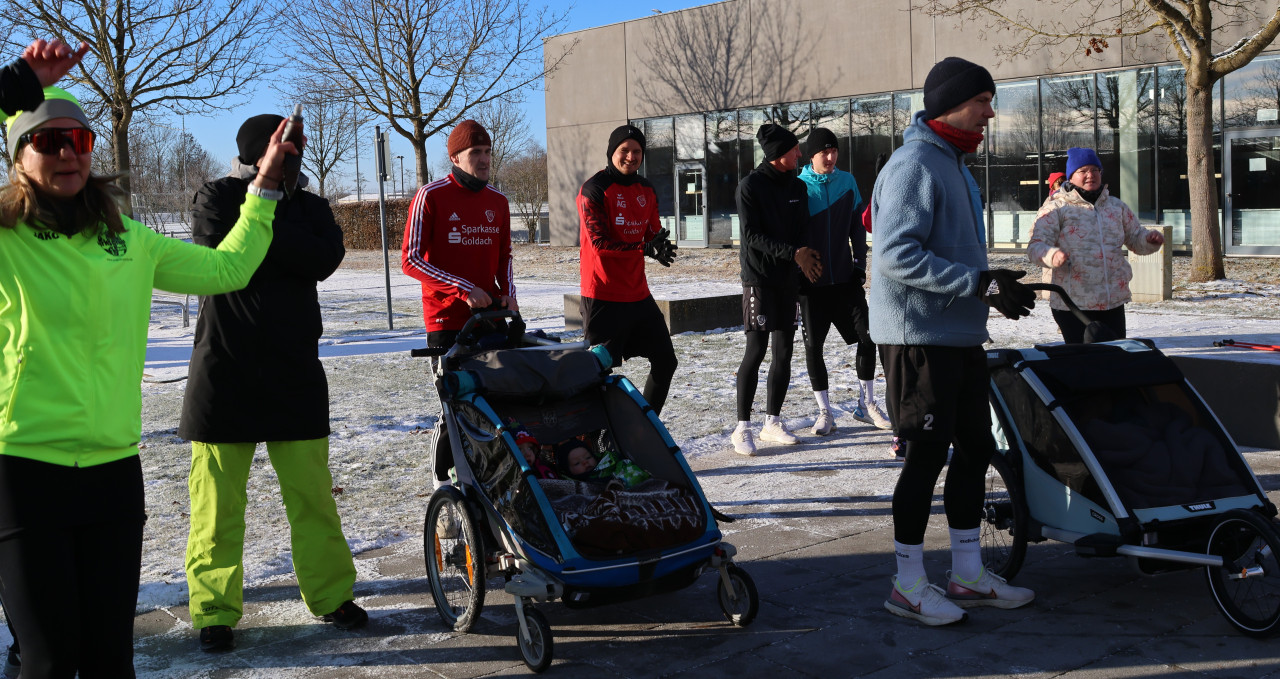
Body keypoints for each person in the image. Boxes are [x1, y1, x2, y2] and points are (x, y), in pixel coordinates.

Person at [0, 38, 288, 676]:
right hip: (22, 472)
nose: (68, 152)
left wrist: (264, 186)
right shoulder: (4, 238)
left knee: (111, 661)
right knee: (49, 661)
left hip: (111, 473)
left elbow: (229, 268)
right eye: (48, 141)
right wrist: (13, 86)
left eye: (79, 139)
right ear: (18, 155)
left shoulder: (127, 240)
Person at [178, 114, 364, 653]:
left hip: (294, 371)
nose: (293, 157)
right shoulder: (216, 196)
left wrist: (263, 230)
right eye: (284, 148)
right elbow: (222, 257)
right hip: (224, 372)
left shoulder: (314, 205)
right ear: (256, 153)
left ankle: (331, 596)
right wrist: (284, 240)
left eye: (298, 149)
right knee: (215, 506)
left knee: (313, 499)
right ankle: (213, 611)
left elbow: (324, 259)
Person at [869, 56, 1038, 626]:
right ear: (949, 105)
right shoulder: (914, 163)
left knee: (975, 450)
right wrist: (978, 283)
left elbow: (956, 254)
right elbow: (895, 255)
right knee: (924, 458)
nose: (990, 113)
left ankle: (967, 574)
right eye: (982, 101)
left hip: (958, 334)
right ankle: (907, 585)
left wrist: (995, 284)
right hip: (917, 337)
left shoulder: (955, 164)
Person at [402, 119, 515, 489]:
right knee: (454, 405)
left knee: (495, 404)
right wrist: (463, 289)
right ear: (454, 157)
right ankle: (443, 482)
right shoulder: (430, 196)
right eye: (475, 153)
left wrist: (509, 293)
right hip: (447, 320)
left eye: (487, 152)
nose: (484, 159)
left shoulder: (498, 201)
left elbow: (505, 256)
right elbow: (411, 260)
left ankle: (490, 475)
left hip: (491, 319)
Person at [729, 124, 823, 456]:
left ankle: (772, 421)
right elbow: (751, 235)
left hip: (788, 279)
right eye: (795, 149)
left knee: (784, 352)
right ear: (778, 154)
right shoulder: (750, 186)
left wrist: (806, 259)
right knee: (756, 350)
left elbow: (803, 229)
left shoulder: (798, 186)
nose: (800, 154)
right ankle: (742, 428)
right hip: (759, 279)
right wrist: (793, 253)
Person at [577, 125, 679, 414]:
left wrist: (659, 245)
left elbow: (652, 233)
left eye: (637, 151)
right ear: (612, 152)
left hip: (637, 294)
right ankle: (591, 438)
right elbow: (599, 244)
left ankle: (645, 428)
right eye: (624, 150)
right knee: (596, 373)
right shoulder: (594, 189)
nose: (631, 157)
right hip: (603, 295)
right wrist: (644, 248)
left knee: (666, 360)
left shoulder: (646, 189)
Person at [796, 127, 890, 436]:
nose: (831, 156)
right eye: (824, 151)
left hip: (845, 280)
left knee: (868, 337)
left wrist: (859, 264)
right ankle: (824, 412)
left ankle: (867, 404)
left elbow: (857, 228)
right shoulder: (798, 186)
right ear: (812, 155)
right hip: (811, 285)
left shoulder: (847, 182)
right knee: (814, 347)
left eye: (834, 150)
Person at [1028, 147, 1165, 343]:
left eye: (1095, 170)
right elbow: (1035, 246)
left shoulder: (1116, 206)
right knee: (1084, 357)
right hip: (1073, 304)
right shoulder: (1056, 208)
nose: (1090, 175)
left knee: (1114, 354)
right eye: (1083, 171)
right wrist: (1051, 255)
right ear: (1071, 176)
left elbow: (1135, 238)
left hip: (1112, 301)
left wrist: (1149, 240)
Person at [553, 439, 650, 488]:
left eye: (588, 457)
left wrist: (621, 482)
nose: (585, 462)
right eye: (577, 463)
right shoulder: (571, 485)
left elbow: (636, 473)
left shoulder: (612, 464)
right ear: (567, 470)